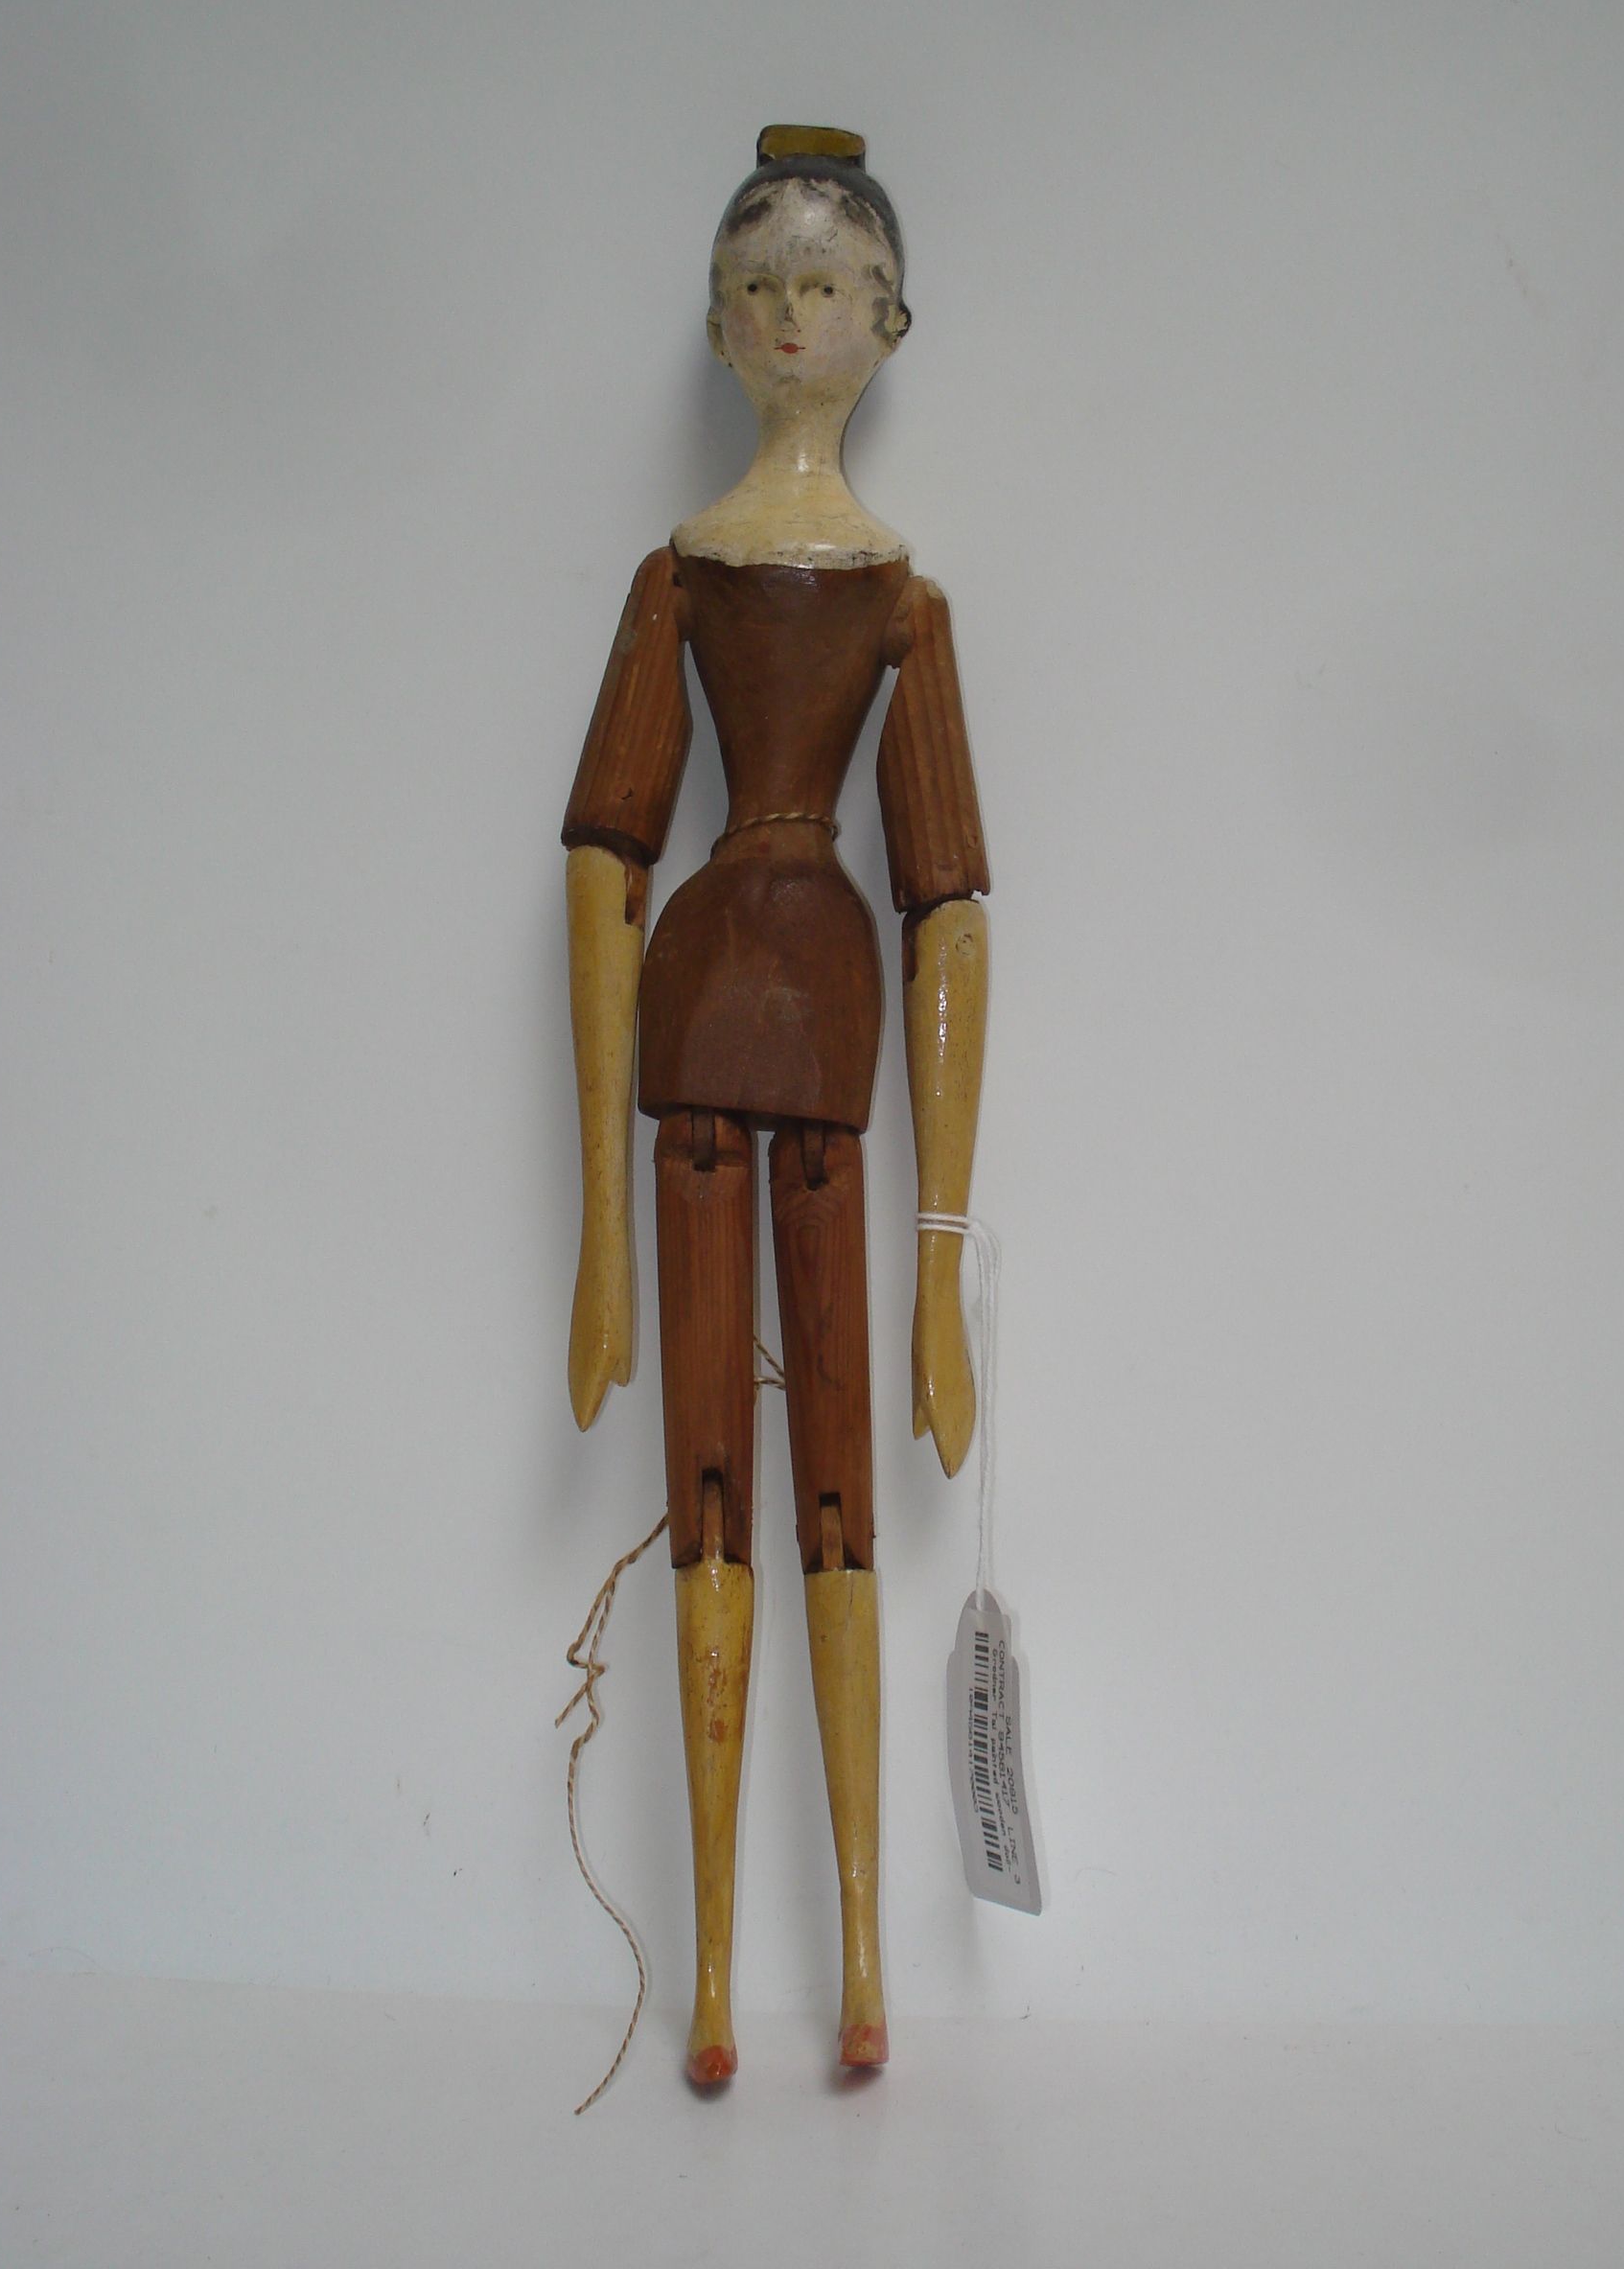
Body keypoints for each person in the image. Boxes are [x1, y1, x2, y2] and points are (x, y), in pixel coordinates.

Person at [562, 126, 988, 2082]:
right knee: (712, 1481)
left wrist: (941, 1263)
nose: (789, 312)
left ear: (888, 323)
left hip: (829, 1045)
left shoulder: (904, 605)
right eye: (758, 285)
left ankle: (865, 1959)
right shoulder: (677, 579)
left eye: (825, 284)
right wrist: (597, 1234)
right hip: (696, 1053)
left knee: (833, 1489)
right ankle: (723, 1970)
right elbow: (604, 863)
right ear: (719, 322)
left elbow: (950, 913)